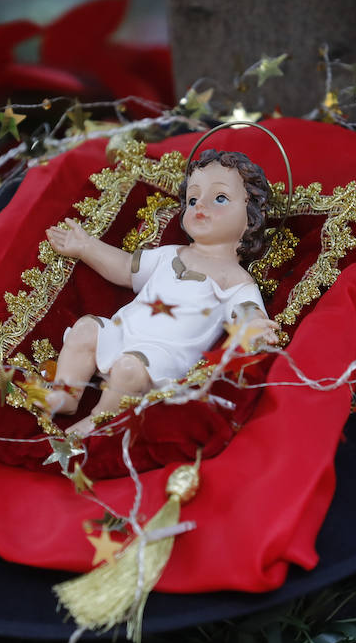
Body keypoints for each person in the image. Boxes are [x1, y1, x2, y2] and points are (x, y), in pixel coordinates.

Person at [43, 149, 279, 433]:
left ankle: (100, 418)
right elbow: (124, 267)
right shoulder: (169, 254)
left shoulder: (235, 279)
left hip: (161, 359)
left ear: (252, 216)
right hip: (121, 332)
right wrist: (87, 247)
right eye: (192, 199)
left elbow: (247, 314)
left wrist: (256, 328)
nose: (200, 205)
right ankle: (65, 394)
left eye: (219, 198)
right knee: (85, 329)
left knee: (129, 370)